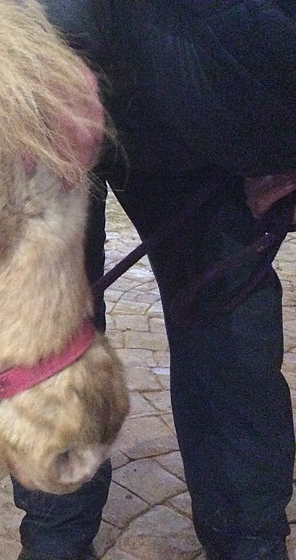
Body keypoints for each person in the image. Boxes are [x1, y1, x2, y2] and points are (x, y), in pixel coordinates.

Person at [16, 1, 296, 559]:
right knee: (43, 339)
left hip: (210, 112)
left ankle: (248, 541)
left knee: (233, 348)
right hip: (36, 94)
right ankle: (55, 536)